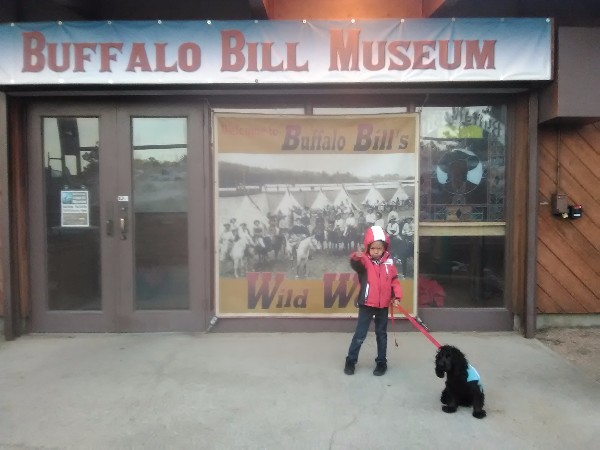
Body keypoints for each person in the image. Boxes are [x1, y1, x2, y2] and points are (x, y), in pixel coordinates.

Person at [344, 225, 403, 376]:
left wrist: (396, 296)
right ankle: (350, 361)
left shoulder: (389, 263)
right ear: (368, 248)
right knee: (360, 334)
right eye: (373, 248)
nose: (376, 251)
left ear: (384, 248)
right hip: (366, 304)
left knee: (381, 335)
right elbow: (355, 263)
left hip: (383, 305)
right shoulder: (364, 262)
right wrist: (357, 256)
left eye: (379, 248)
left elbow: (394, 281)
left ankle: (381, 362)